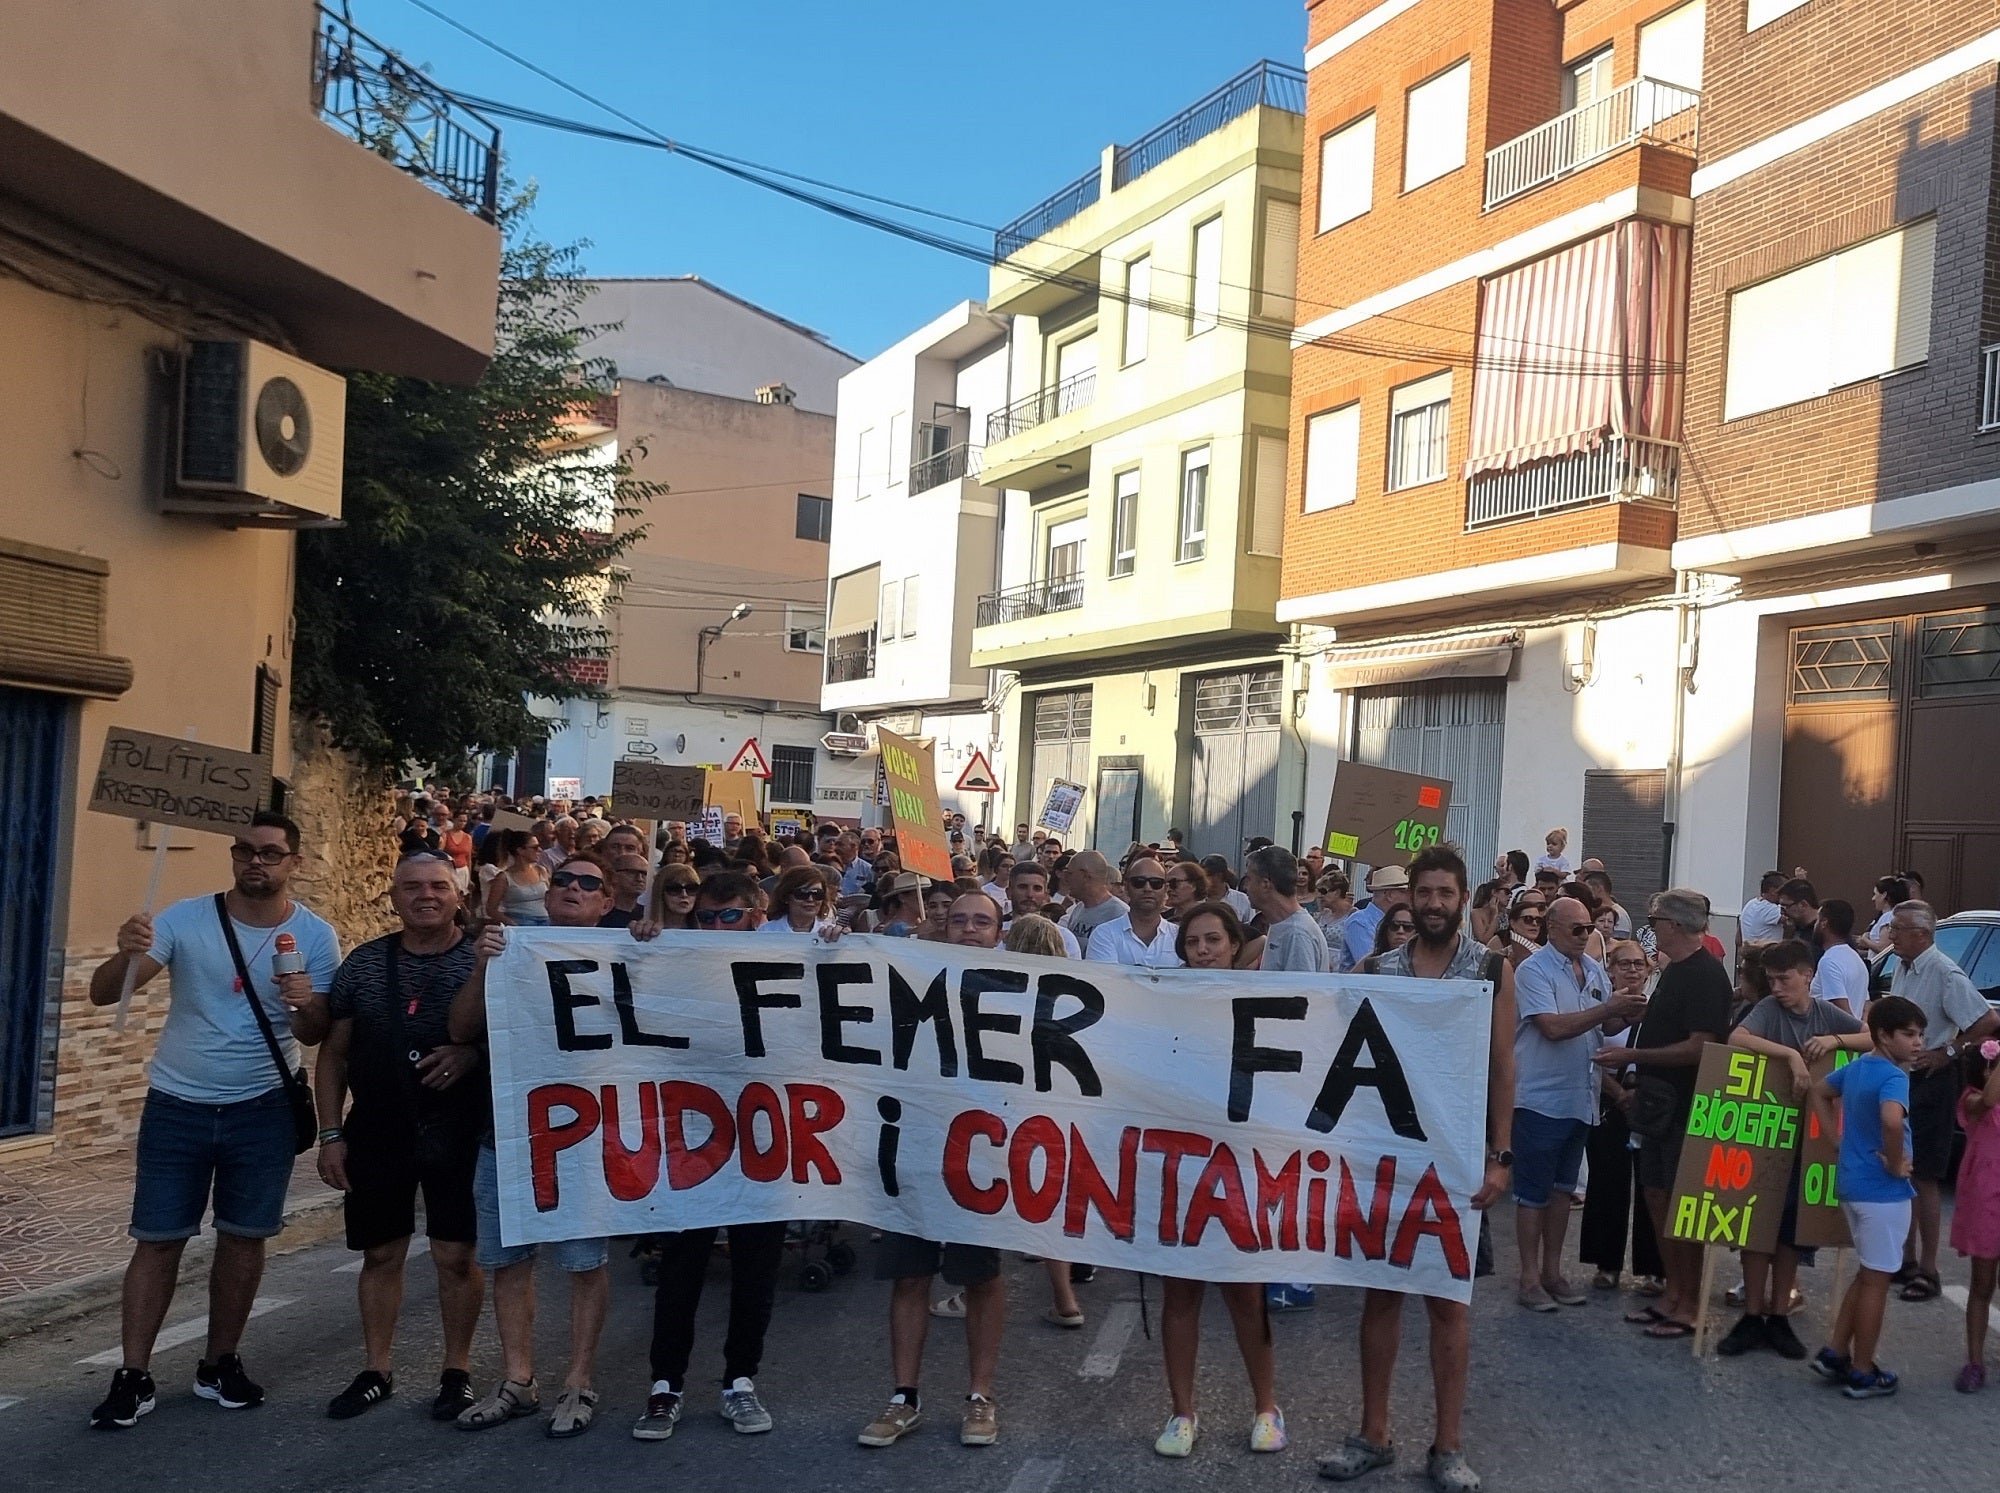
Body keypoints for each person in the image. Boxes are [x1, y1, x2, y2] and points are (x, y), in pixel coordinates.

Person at [86, 812, 339, 1429]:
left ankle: (219, 1362)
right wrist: (128, 951)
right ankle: (134, 1373)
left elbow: (318, 1031)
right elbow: (104, 993)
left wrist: (305, 1004)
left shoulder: (315, 936)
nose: (258, 862)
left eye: (272, 854)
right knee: (158, 1238)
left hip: (263, 1110)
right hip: (177, 1105)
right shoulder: (183, 918)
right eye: (247, 851)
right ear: (233, 856)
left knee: (244, 1238)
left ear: (293, 863)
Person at [1316, 844, 1514, 1493]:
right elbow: (1344, 1060)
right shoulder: (1378, 967)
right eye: (1423, 893)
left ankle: (1448, 1446)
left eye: (1444, 893)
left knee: (1448, 1305)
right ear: (1409, 898)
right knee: (1381, 1296)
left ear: (1462, 899)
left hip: (1456, 1161)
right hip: (1388, 1157)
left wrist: (1501, 1154)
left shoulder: (1489, 967)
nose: (1432, 903)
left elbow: (1502, 1066)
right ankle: (1373, 1433)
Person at [448, 855, 625, 1438]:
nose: (573, 889)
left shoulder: (628, 951)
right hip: (509, 1132)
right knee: (507, 1261)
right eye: (565, 881)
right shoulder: (510, 949)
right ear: (549, 896)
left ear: (606, 903)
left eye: (589, 884)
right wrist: (479, 967)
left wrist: (651, 939)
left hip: (585, 1136)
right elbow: (460, 1029)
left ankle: (579, 1379)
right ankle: (518, 1380)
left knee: (583, 1262)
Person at [315, 851, 487, 1421]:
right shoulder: (363, 965)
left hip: (459, 1123)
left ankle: (457, 1370)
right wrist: (331, 1133)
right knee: (381, 1251)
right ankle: (377, 1368)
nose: (426, 896)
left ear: (458, 894)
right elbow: (333, 1056)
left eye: (438, 885)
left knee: (455, 1254)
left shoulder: (486, 959)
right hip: (380, 1124)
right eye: (412, 887)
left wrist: (471, 1052)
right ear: (393, 897)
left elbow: (523, 1037)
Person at [630, 871, 786, 1443]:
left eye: (729, 916)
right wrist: (640, 947)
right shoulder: (677, 959)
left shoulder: (789, 963)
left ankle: (740, 1382)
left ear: (755, 915)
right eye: (707, 917)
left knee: (755, 1273)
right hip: (692, 1142)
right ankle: (665, 1385)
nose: (717, 927)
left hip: (766, 1144)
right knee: (681, 1270)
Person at [859, 892, 1009, 1451]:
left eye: (982, 922)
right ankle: (904, 1397)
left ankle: (980, 1395)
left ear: (999, 932)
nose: (970, 929)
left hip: (984, 1155)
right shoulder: (910, 977)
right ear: (945, 926)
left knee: (981, 1276)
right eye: (961, 919)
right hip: (914, 1145)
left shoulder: (1021, 988)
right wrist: (825, 949)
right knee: (910, 1275)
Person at [1152, 899, 1285, 1459]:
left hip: (1240, 1167)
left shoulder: (1264, 1004)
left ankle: (1267, 1407)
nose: (1202, 950)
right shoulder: (1160, 1005)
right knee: (1180, 1293)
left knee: (1244, 1294)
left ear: (1234, 945)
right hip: (1178, 1166)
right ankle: (1182, 1413)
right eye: (1192, 943)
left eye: (1212, 940)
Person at [1590, 889, 1732, 1342]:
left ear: (1674, 924)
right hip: (1656, 1102)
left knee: (1678, 1204)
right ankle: (1673, 1294)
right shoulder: (1673, 973)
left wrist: (1633, 1051)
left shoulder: (1706, 975)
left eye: (1656, 920)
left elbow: (1701, 1045)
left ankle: (1690, 1303)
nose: (1652, 929)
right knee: (1656, 1194)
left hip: (1685, 1103)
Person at [1716, 940, 1863, 1360]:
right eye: (1772, 980)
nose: (1777, 987)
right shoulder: (1767, 1010)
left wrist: (1834, 1041)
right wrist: (1792, 1057)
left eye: (1785, 979)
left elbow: (1871, 1039)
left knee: (1791, 1233)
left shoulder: (1824, 1013)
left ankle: (1778, 1315)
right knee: (1756, 1225)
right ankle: (1752, 1314)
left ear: (1808, 976)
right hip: (1765, 1135)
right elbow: (1737, 1038)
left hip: (1809, 1140)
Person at [1510, 897, 1644, 1313]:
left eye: (1590, 928)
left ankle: (1553, 1272)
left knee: (1563, 1190)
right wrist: (1611, 1008)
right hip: (1541, 1097)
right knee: (1532, 1192)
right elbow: (1551, 1027)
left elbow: (1603, 1027)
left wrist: (1630, 1013)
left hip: (1580, 1095)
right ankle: (1529, 1276)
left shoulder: (1595, 971)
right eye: (1578, 929)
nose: (1587, 935)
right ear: (1552, 928)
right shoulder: (1533, 971)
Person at [1808, 996, 1926, 1398]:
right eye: (1909, 1035)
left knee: (1868, 1273)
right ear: (1882, 1035)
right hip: (1882, 1192)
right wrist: (1895, 1163)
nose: (1917, 1043)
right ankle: (1862, 1369)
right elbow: (1893, 1120)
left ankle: (1836, 1351)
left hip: (1853, 1187)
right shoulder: (1895, 1077)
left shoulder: (1858, 1068)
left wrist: (1832, 1139)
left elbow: (1819, 1090)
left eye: (1920, 1034)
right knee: (1878, 1280)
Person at [1882, 900, 1999, 1302]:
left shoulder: (1943, 970)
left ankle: (1927, 1270)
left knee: (1926, 1175)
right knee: (1902, 1167)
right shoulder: (1903, 965)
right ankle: (1905, 1259)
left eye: (1898, 928)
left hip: (1932, 1081)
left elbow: (1986, 1021)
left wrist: (1948, 1051)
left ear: (1922, 935)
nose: (1890, 934)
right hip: (1903, 1078)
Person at [1578, 940, 1666, 1295]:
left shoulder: (1660, 1010)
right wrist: (1617, 1094)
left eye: (1638, 964)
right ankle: (1606, 1264)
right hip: (1609, 1103)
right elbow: (1587, 1055)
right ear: (1610, 970)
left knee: (1652, 1187)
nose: (1632, 970)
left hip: (1650, 1105)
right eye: (1624, 964)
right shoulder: (1599, 1009)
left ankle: (1654, 1268)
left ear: (1648, 970)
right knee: (1607, 1184)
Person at [1951, 1039, 2000, 1393]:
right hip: (1986, 1200)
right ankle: (1975, 1361)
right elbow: (1988, 1100)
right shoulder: (1971, 1100)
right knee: (1982, 1284)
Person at [1242, 847, 1330, 974]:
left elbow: (1298, 991)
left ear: (1265, 884)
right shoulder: (1283, 925)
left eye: (1249, 879)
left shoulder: (1297, 934)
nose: (1245, 887)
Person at [1085, 857, 1180, 967]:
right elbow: (1105, 981)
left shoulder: (1178, 936)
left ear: (1166, 888)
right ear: (1126, 887)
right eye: (1138, 882)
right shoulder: (1104, 934)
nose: (1148, 888)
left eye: (1156, 883)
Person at [1341, 865, 1409, 973]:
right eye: (1405, 892)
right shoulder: (1359, 923)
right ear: (1390, 895)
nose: (1411, 897)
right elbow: (1372, 967)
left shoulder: (1372, 922)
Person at [1058, 850, 1127, 950]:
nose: (1065, 878)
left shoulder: (1120, 914)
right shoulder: (1077, 909)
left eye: (1069, 873)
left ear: (1086, 877)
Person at [1809, 900, 1868, 1015]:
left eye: (1817, 920)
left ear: (1824, 923)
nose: (1814, 925)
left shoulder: (1829, 962)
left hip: (1834, 1032)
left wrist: (1855, 1030)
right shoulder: (1856, 958)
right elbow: (1866, 1005)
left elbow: (1841, 1013)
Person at [485, 831, 551, 927]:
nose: (540, 850)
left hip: (546, 920)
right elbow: (491, 909)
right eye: (535, 848)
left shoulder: (541, 871)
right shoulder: (504, 878)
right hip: (521, 920)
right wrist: (512, 924)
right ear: (520, 850)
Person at [761, 864, 834, 935]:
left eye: (817, 893)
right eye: (802, 893)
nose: (810, 899)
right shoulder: (767, 931)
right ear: (785, 897)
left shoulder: (831, 933)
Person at [599, 853, 650, 928]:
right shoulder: (599, 912)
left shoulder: (648, 915)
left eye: (644, 874)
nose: (640, 878)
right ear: (614, 874)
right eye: (632, 872)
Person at [1359, 905, 1416, 970]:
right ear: (1386, 930)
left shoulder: (1424, 963)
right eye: (1394, 926)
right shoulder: (1372, 961)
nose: (1400, 931)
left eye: (1408, 927)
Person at [1738, 872, 1788, 945]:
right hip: (1768, 954)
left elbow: (1738, 939)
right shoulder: (1771, 909)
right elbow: (1796, 917)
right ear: (1774, 891)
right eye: (1786, 890)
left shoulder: (1749, 904)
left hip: (1749, 952)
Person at [646, 864, 700, 931]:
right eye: (674, 889)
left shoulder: (709, 930)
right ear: (660, 893)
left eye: (691, 889)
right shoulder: (643, 930)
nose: (684, 895)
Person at [1862, 876, 1908, 953]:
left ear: (1884, 895)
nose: (1873, 898)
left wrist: (1865, 939)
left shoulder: (1888, 917)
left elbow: (1883, 949)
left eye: (1875, 894)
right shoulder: (1894, 915)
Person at [1777, 878, 1819, 942]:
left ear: (1803, 905)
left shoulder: (1825, 933)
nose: (1781, 912)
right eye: (1781, 907)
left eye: (1786, 906)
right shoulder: (1795, 929)